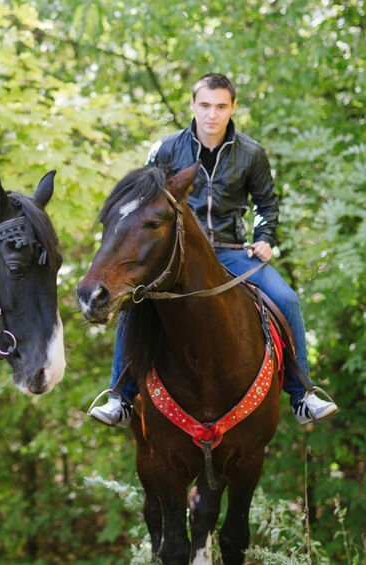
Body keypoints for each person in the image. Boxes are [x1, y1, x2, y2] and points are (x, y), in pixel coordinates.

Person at [89, 73, 338, 429]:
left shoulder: (251, 153)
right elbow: (143, 204)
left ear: (233, 108)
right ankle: (121, 398)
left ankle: (302, 395)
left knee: (287, 299)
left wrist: (265, 236)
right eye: (205, 105)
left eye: (221, 106)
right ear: (193, 106)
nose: (212, 114)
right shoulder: (166, 149)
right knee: (133, 303)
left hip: (233, 250)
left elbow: (267, 204)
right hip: (177, 256)